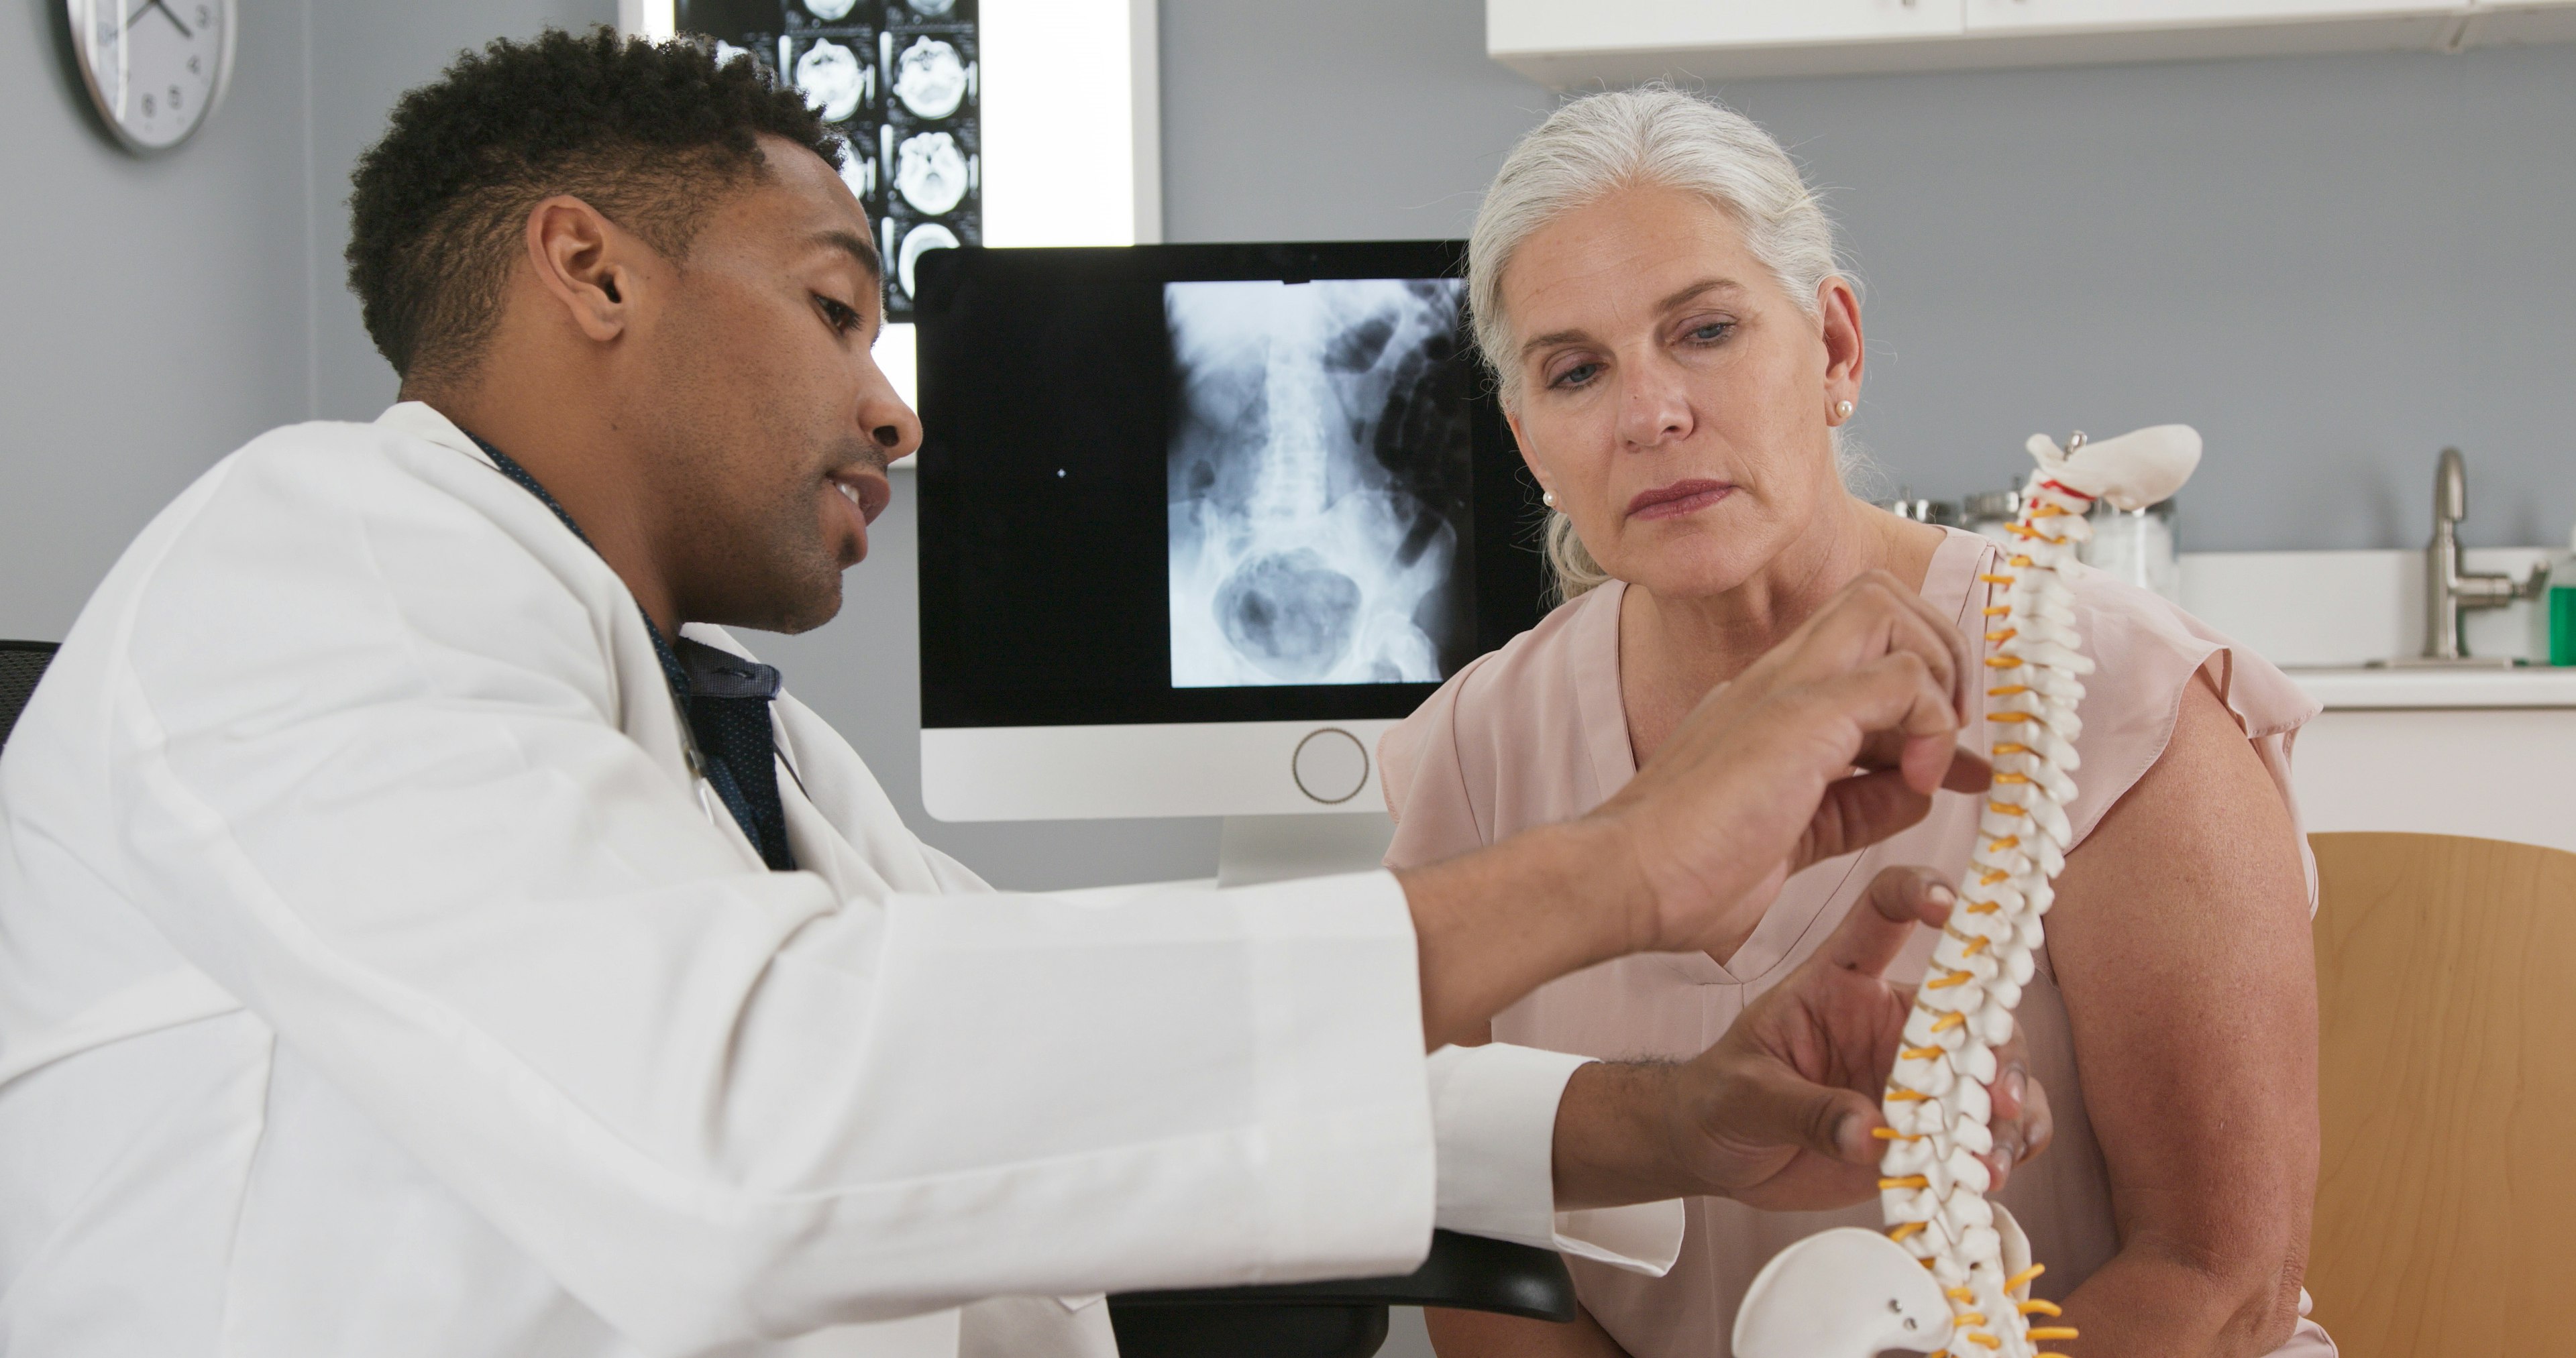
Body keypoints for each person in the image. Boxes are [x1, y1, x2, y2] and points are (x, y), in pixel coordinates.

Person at [0, 34, 2047, 1358]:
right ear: (589, 273)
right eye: (831, 308)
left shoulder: (749, 752)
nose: (896, 406)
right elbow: (745, 1118)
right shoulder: (309, 560)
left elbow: (1058, 1038)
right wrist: (1611, 871)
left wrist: (1662, 1117)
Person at [1380, 87, 2332, 1358]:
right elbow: (1469, 1238)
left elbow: (2222, 1278)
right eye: (1576, 370)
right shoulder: (1475, 751)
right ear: (1527, 438)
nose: (1650, 413)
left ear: (1834, 347)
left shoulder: (2115, 696)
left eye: (1706, 330)